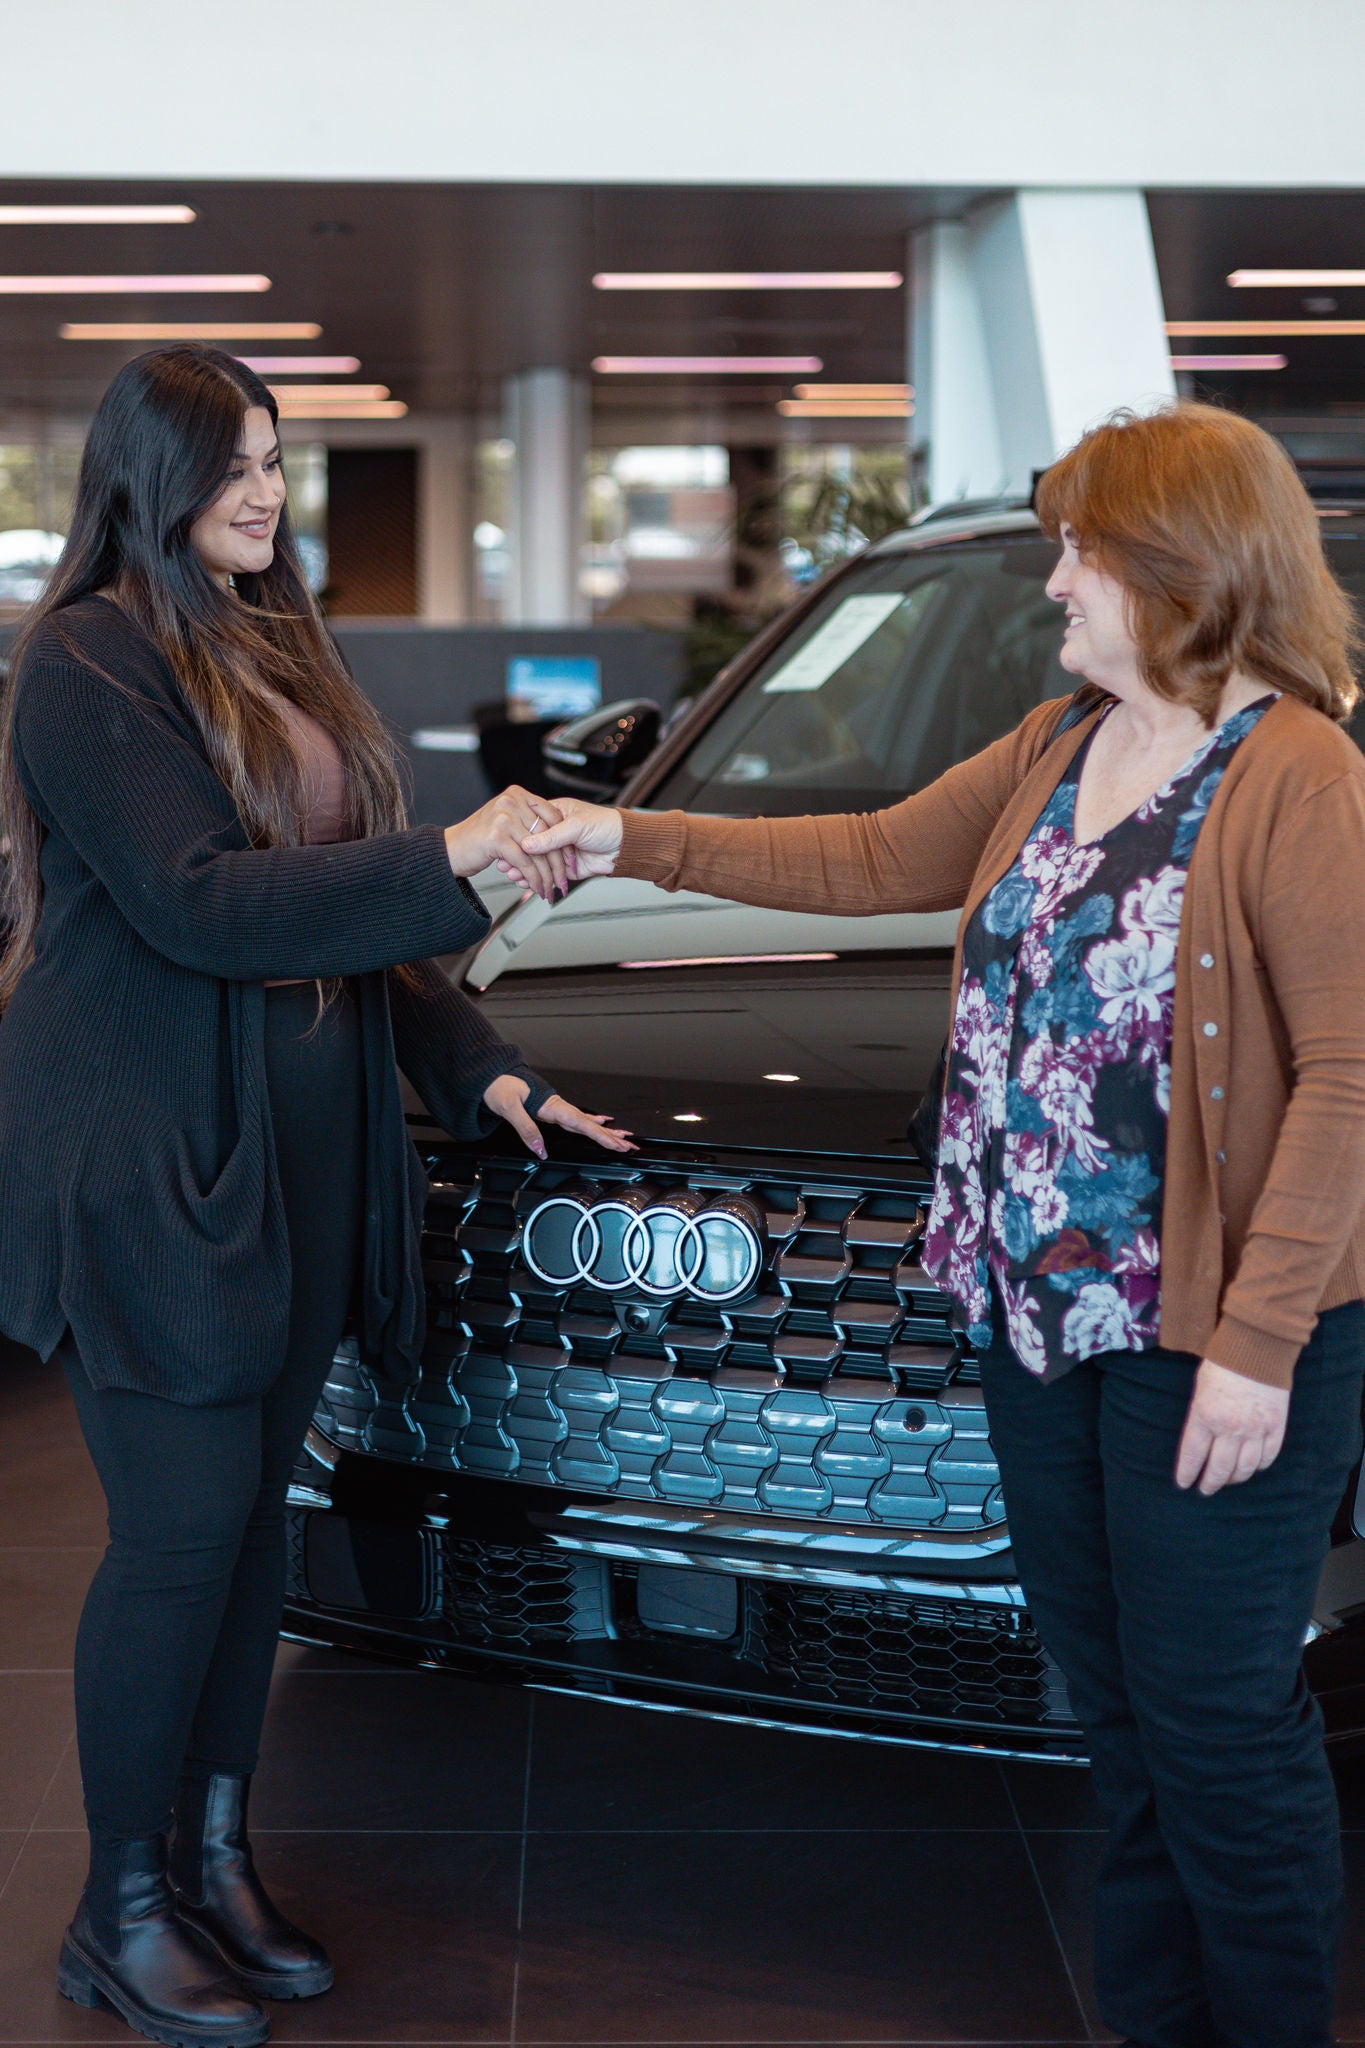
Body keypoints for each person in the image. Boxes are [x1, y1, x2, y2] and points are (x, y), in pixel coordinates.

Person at [515, 402, 1365, 2048]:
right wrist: (626, 837)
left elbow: (1345, 1076)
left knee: (1216, 1728)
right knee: (1119, 1719)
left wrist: (1257, 1348)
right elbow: (865, 853)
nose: (1056, 580)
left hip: (1210, 1341)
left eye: (1080, 550)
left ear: (1174, 565)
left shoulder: (1300, 773)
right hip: (1039, 1321)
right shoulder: (1065, 742)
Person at [0, 344, 631, 2048]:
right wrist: (457, 858)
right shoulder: (81, 662)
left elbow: (348, 924)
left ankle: (211, 1853)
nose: (265, 493)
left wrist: (486, 1069)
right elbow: (208, 906)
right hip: (151, 1169)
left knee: (248, 1536)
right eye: (230, 468)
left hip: (295, 1169)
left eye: (277, 460)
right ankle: (115, 1907)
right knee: (178, 1540)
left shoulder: (271, 634)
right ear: (147, 479)